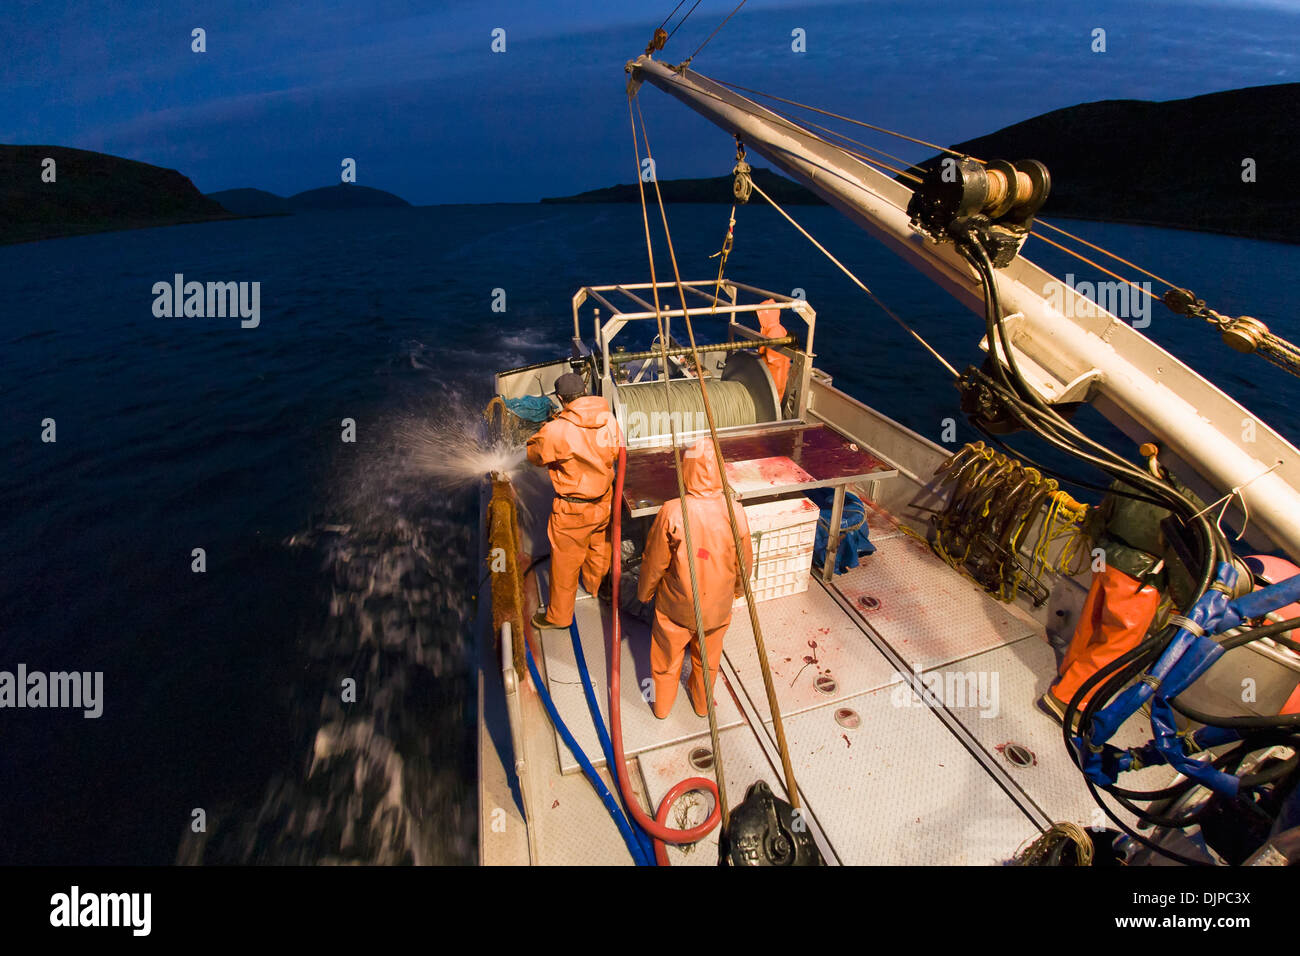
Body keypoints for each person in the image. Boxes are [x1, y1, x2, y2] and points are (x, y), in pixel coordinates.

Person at [637, 438, 753, 719]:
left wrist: (644, 593)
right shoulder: (735, 511)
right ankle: (702, 707)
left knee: (666, 658)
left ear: (685, 469)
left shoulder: (672, 511)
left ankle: (662, 709)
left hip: (676, 608)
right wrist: (736, 592)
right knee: (708, 660)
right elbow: (744, 563)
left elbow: (654, 562)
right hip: (717, 608)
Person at [526, 372, 621, 631]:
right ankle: (596, 587)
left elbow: (534, 455)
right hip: (603, 500)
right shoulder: (608, 419)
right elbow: (614, 451)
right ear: (585, 392)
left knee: (565, 563)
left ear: (560, 398)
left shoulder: (557, 430)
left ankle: (559, 617)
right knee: (599, 546)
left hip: (573, 509)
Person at [755, 299, 791, 400]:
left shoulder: (773, 333)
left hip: (772, 382)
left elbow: (773, 362)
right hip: (776, 381)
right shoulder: (779, 329)